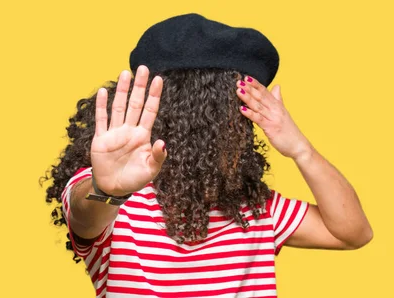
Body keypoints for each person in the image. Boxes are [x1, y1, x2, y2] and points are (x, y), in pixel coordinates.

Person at [41, 14, 372, 298]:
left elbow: (354, 233)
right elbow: (86, 219)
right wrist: (109, 191)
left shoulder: (258, 208)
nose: (244, 133)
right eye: (233, 119)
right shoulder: (114, 196)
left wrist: (301, 150)